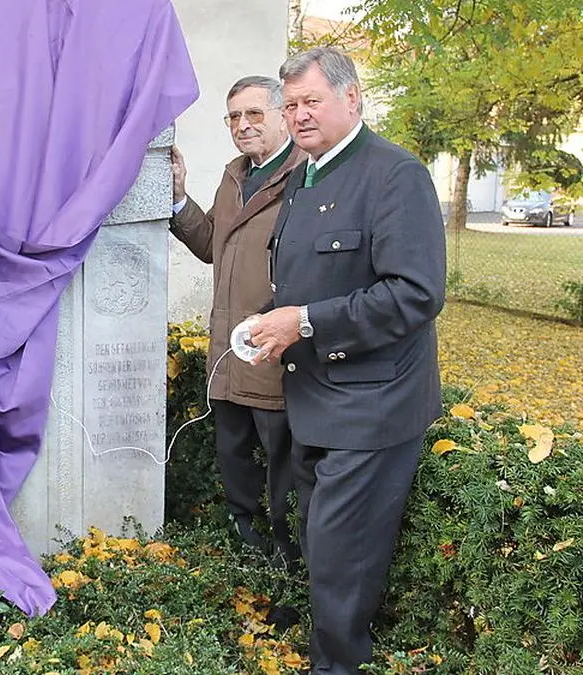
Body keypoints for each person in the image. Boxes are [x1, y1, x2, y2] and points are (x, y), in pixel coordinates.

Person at [248, 47, 446, 673]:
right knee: (324, 549)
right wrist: (270, 322)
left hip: (372, 405)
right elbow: (308, 281)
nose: (299, 115)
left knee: (341, 558)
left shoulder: (395, 174)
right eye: (291, 106)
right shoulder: (305, 176)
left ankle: (336, 666)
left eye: (312, 101)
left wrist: (304, 322)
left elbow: (415, 294)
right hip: (314, 398)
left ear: (352, 97)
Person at [170, 75, 305, 564]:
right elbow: (213, 245)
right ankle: (246, 552)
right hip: (228, 355)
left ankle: (287, 559)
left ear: (283, 116)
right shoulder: (234, 176)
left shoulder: (305, 176)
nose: (242, 125)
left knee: (283, 468)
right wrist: (178, 198)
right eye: (233, 116)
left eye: (254, 114)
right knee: (234, 460)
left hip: (272, 352)